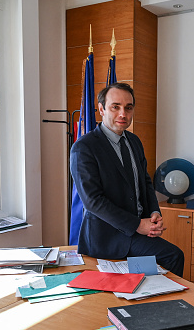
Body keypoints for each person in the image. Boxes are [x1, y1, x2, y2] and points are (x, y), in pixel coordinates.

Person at [69, 82, 184, 276]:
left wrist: (154, 212)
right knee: (172, 255)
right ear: (101, 109)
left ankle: (151, 304)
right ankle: (168, 306)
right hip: (109, 236)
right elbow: (93, 202)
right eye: (116, 107)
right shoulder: (84, 148)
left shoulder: (134, 142)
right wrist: (138, 225)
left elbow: (145, 182)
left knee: (150, 277)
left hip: (136, 232)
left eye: (128, 108)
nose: (123, 113)